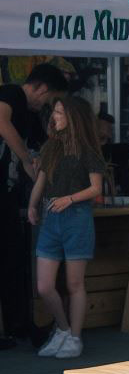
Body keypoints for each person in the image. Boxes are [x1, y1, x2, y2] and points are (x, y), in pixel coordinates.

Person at [29, 96, 107, 359]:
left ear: (73, 117)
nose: (55, 116)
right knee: (44, 286)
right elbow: (41, 180)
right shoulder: (51, 147)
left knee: (75, 283)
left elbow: (96, 188)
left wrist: (70, 198)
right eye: (55, 112)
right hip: (51, 217)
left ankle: (74, 337)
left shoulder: (88, 150)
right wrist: (32, 204)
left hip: (77, 217)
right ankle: (62, 329)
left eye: (60, 112)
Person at [0, 63, 69, 349]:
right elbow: (2, 122)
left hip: (10, 192)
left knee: (13, 258)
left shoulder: (30, 115)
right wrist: (27, 160)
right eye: (49, 97)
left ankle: (19, 325)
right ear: (40, 87)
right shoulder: (12, 93)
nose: (46, 103)